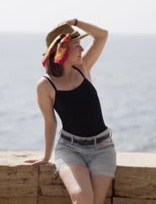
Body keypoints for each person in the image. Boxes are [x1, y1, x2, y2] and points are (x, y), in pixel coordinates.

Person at [25, 19, 116, 204]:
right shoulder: (45, 85)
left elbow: (102, 35)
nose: (82, 50)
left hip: (102, 148)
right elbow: (50, 122)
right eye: (76, 45)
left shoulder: (83, 67)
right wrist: (45, 156)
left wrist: (76, 22)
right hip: (70, 149)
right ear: (62, 49)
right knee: (82, 198)